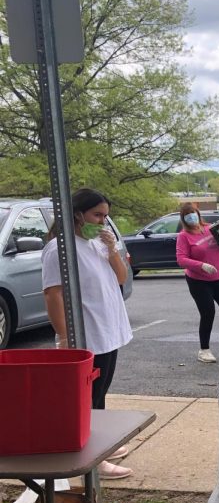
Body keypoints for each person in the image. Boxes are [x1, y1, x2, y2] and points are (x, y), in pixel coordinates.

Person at [42, 188, 134, 480]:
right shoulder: (60, 248)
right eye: (97, 215)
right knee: (87, 400)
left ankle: (99, 446)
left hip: (108, 331)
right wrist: (65, 337)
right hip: (87, 334)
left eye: (106, 216)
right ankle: (93, 460)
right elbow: (53, 294)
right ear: (78, 214)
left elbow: (120, 278)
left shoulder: (95, 243)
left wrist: (112, 250)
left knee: (100, 393)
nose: (103, 222)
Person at [175, 204, 219, 363]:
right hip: (198, 281)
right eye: (187, 215)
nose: (191, 217)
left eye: (193, 213)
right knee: (208, 313)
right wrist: (201, 265)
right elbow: (181, 259)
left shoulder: (210, 229)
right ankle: (204, 350)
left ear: (198, 214)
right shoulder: (184, 236)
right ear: (184, 219)